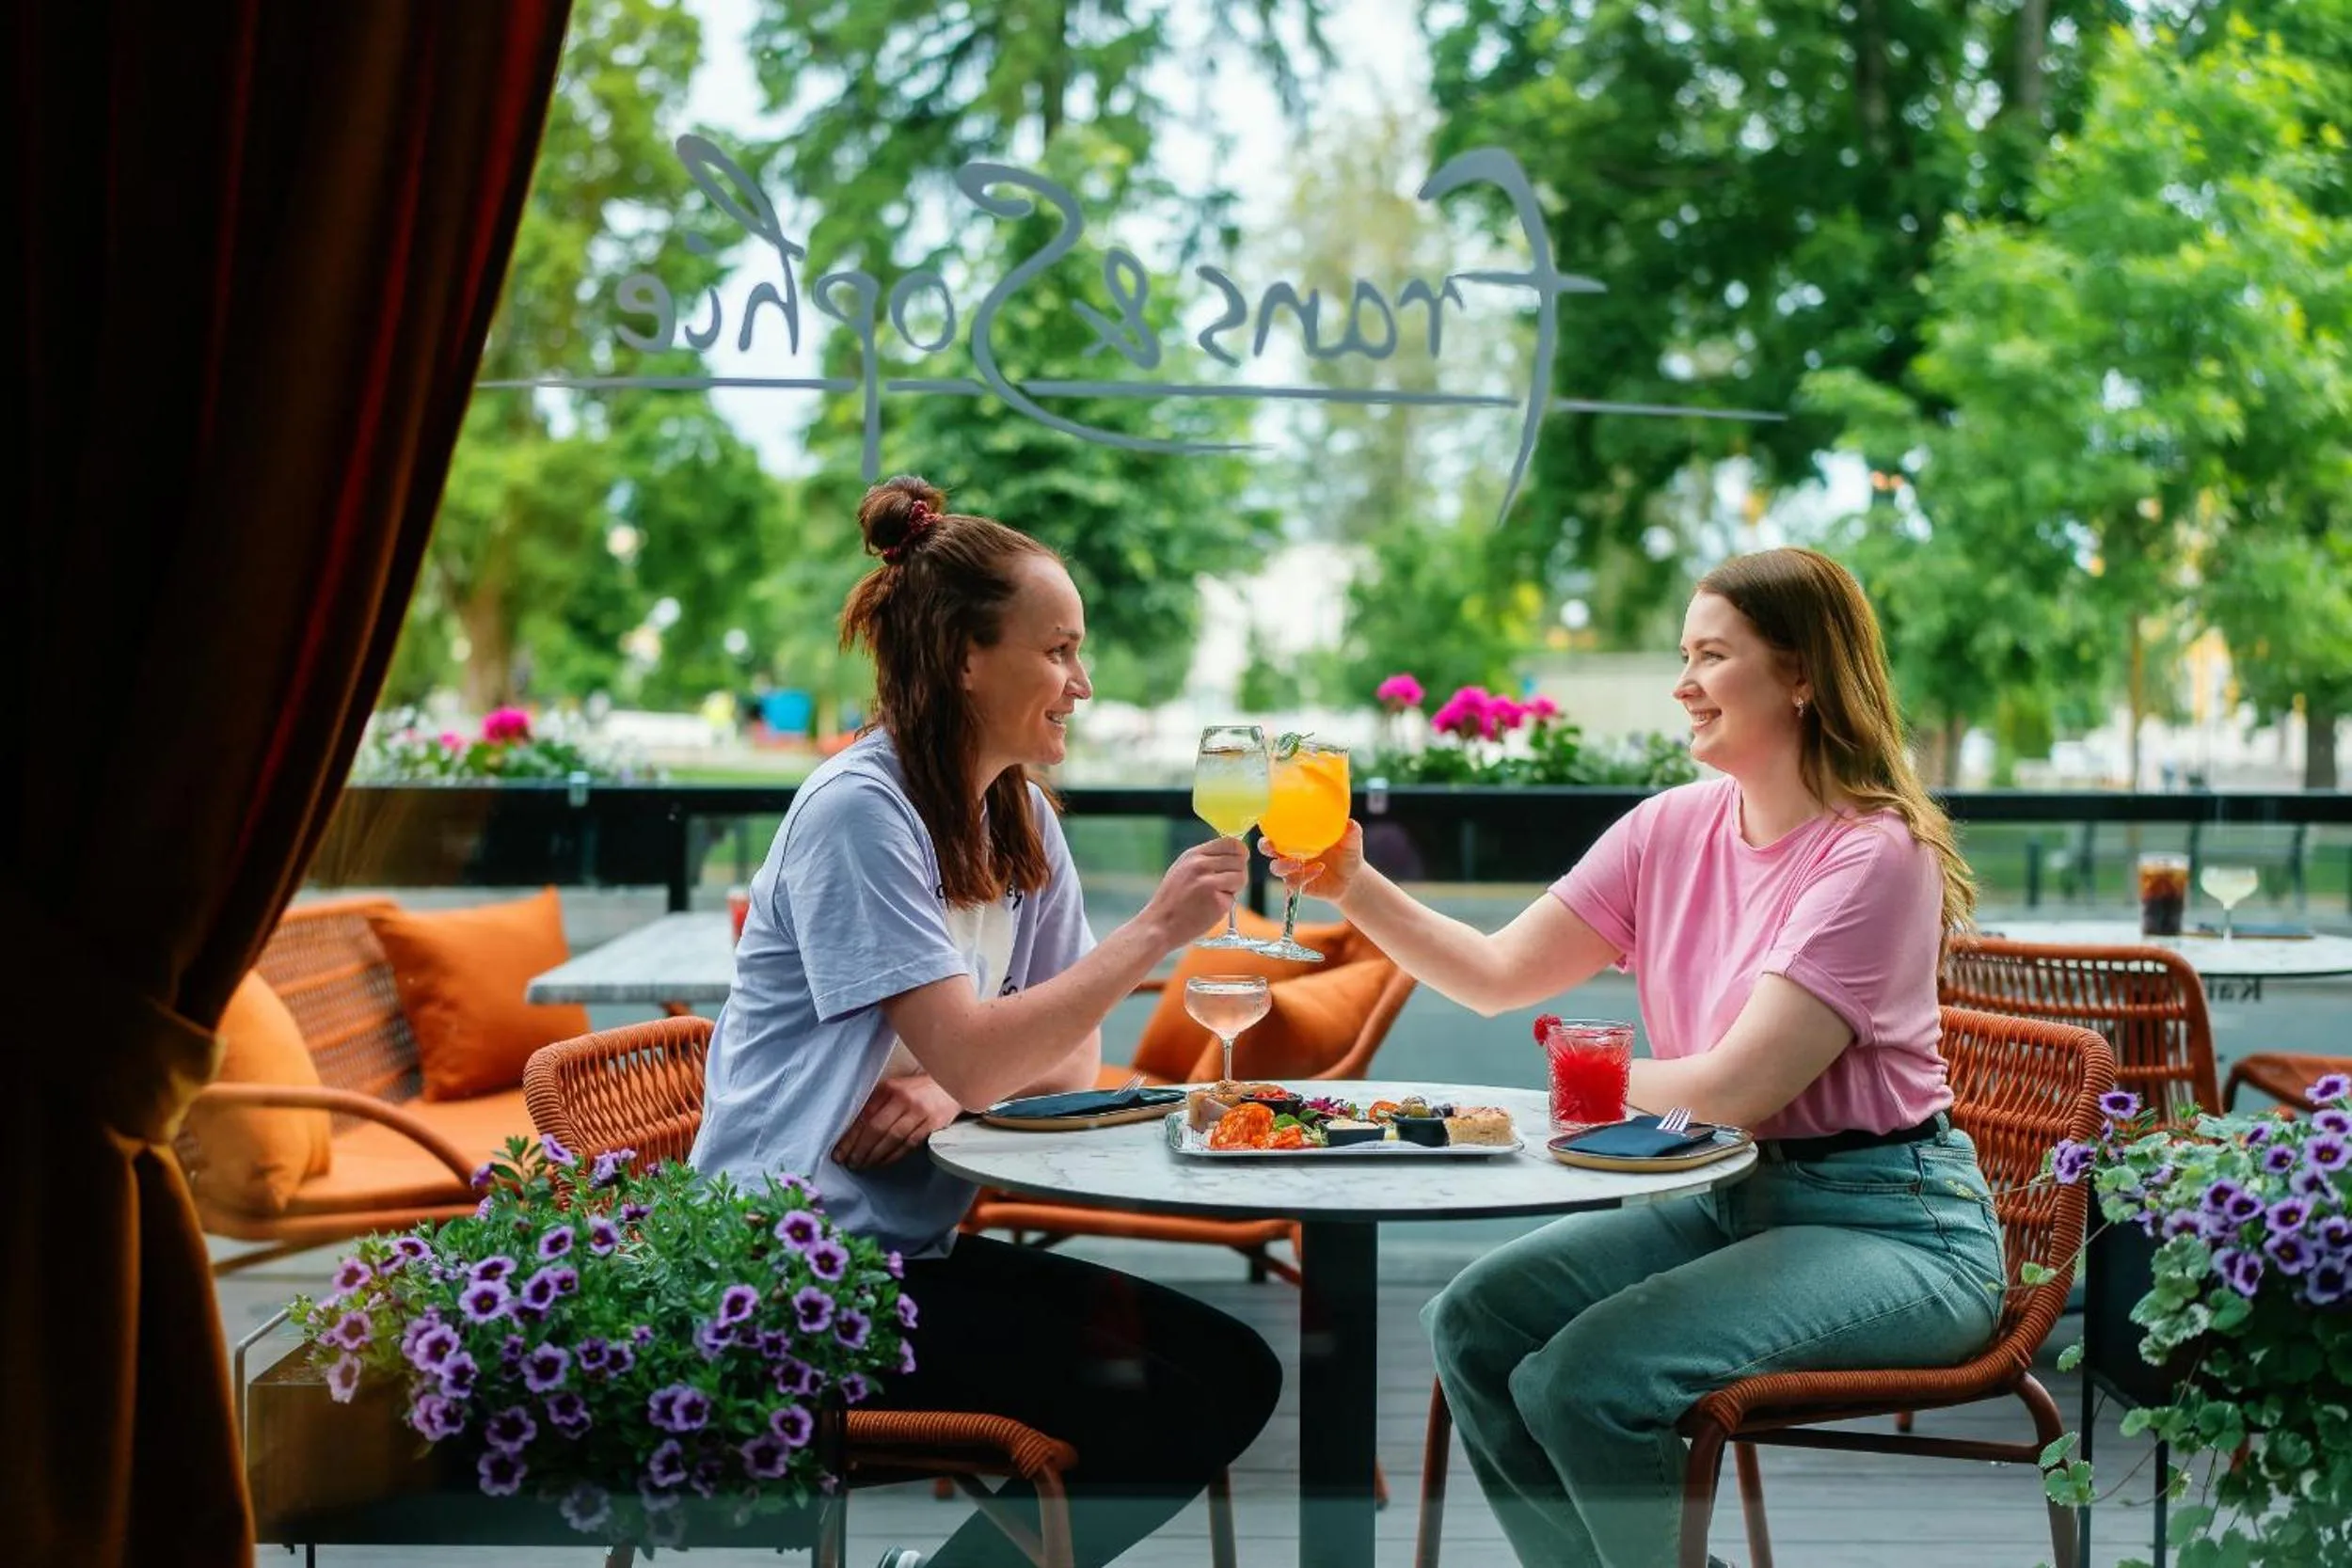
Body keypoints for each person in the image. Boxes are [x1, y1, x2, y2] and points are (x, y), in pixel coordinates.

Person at [1266, 546, 2005, 1568]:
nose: (1682, 682)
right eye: (1683, 653)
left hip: (1897, 1226)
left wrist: (1581, 1081)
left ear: (1800, 675)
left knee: (1587, 1382)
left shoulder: (1876, 854)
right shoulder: (1670, 826)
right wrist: (1351, 883)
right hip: (1724, 1194)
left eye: (1711, 654)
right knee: (1476, 1322)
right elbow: (1494, 973)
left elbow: (1741, 1086)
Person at [692, 476, 1281, 1568]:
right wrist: (1150, 932)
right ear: (966, 656)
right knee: (1154, 1403)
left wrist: (937, 1089)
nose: (1082, 682)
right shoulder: (859, 812)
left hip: (910, 1249)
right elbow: (987, 1048)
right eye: (1057, 651)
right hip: (790, 1278)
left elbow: (1070, 1060)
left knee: (1236, 1370)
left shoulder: (1017, 813)